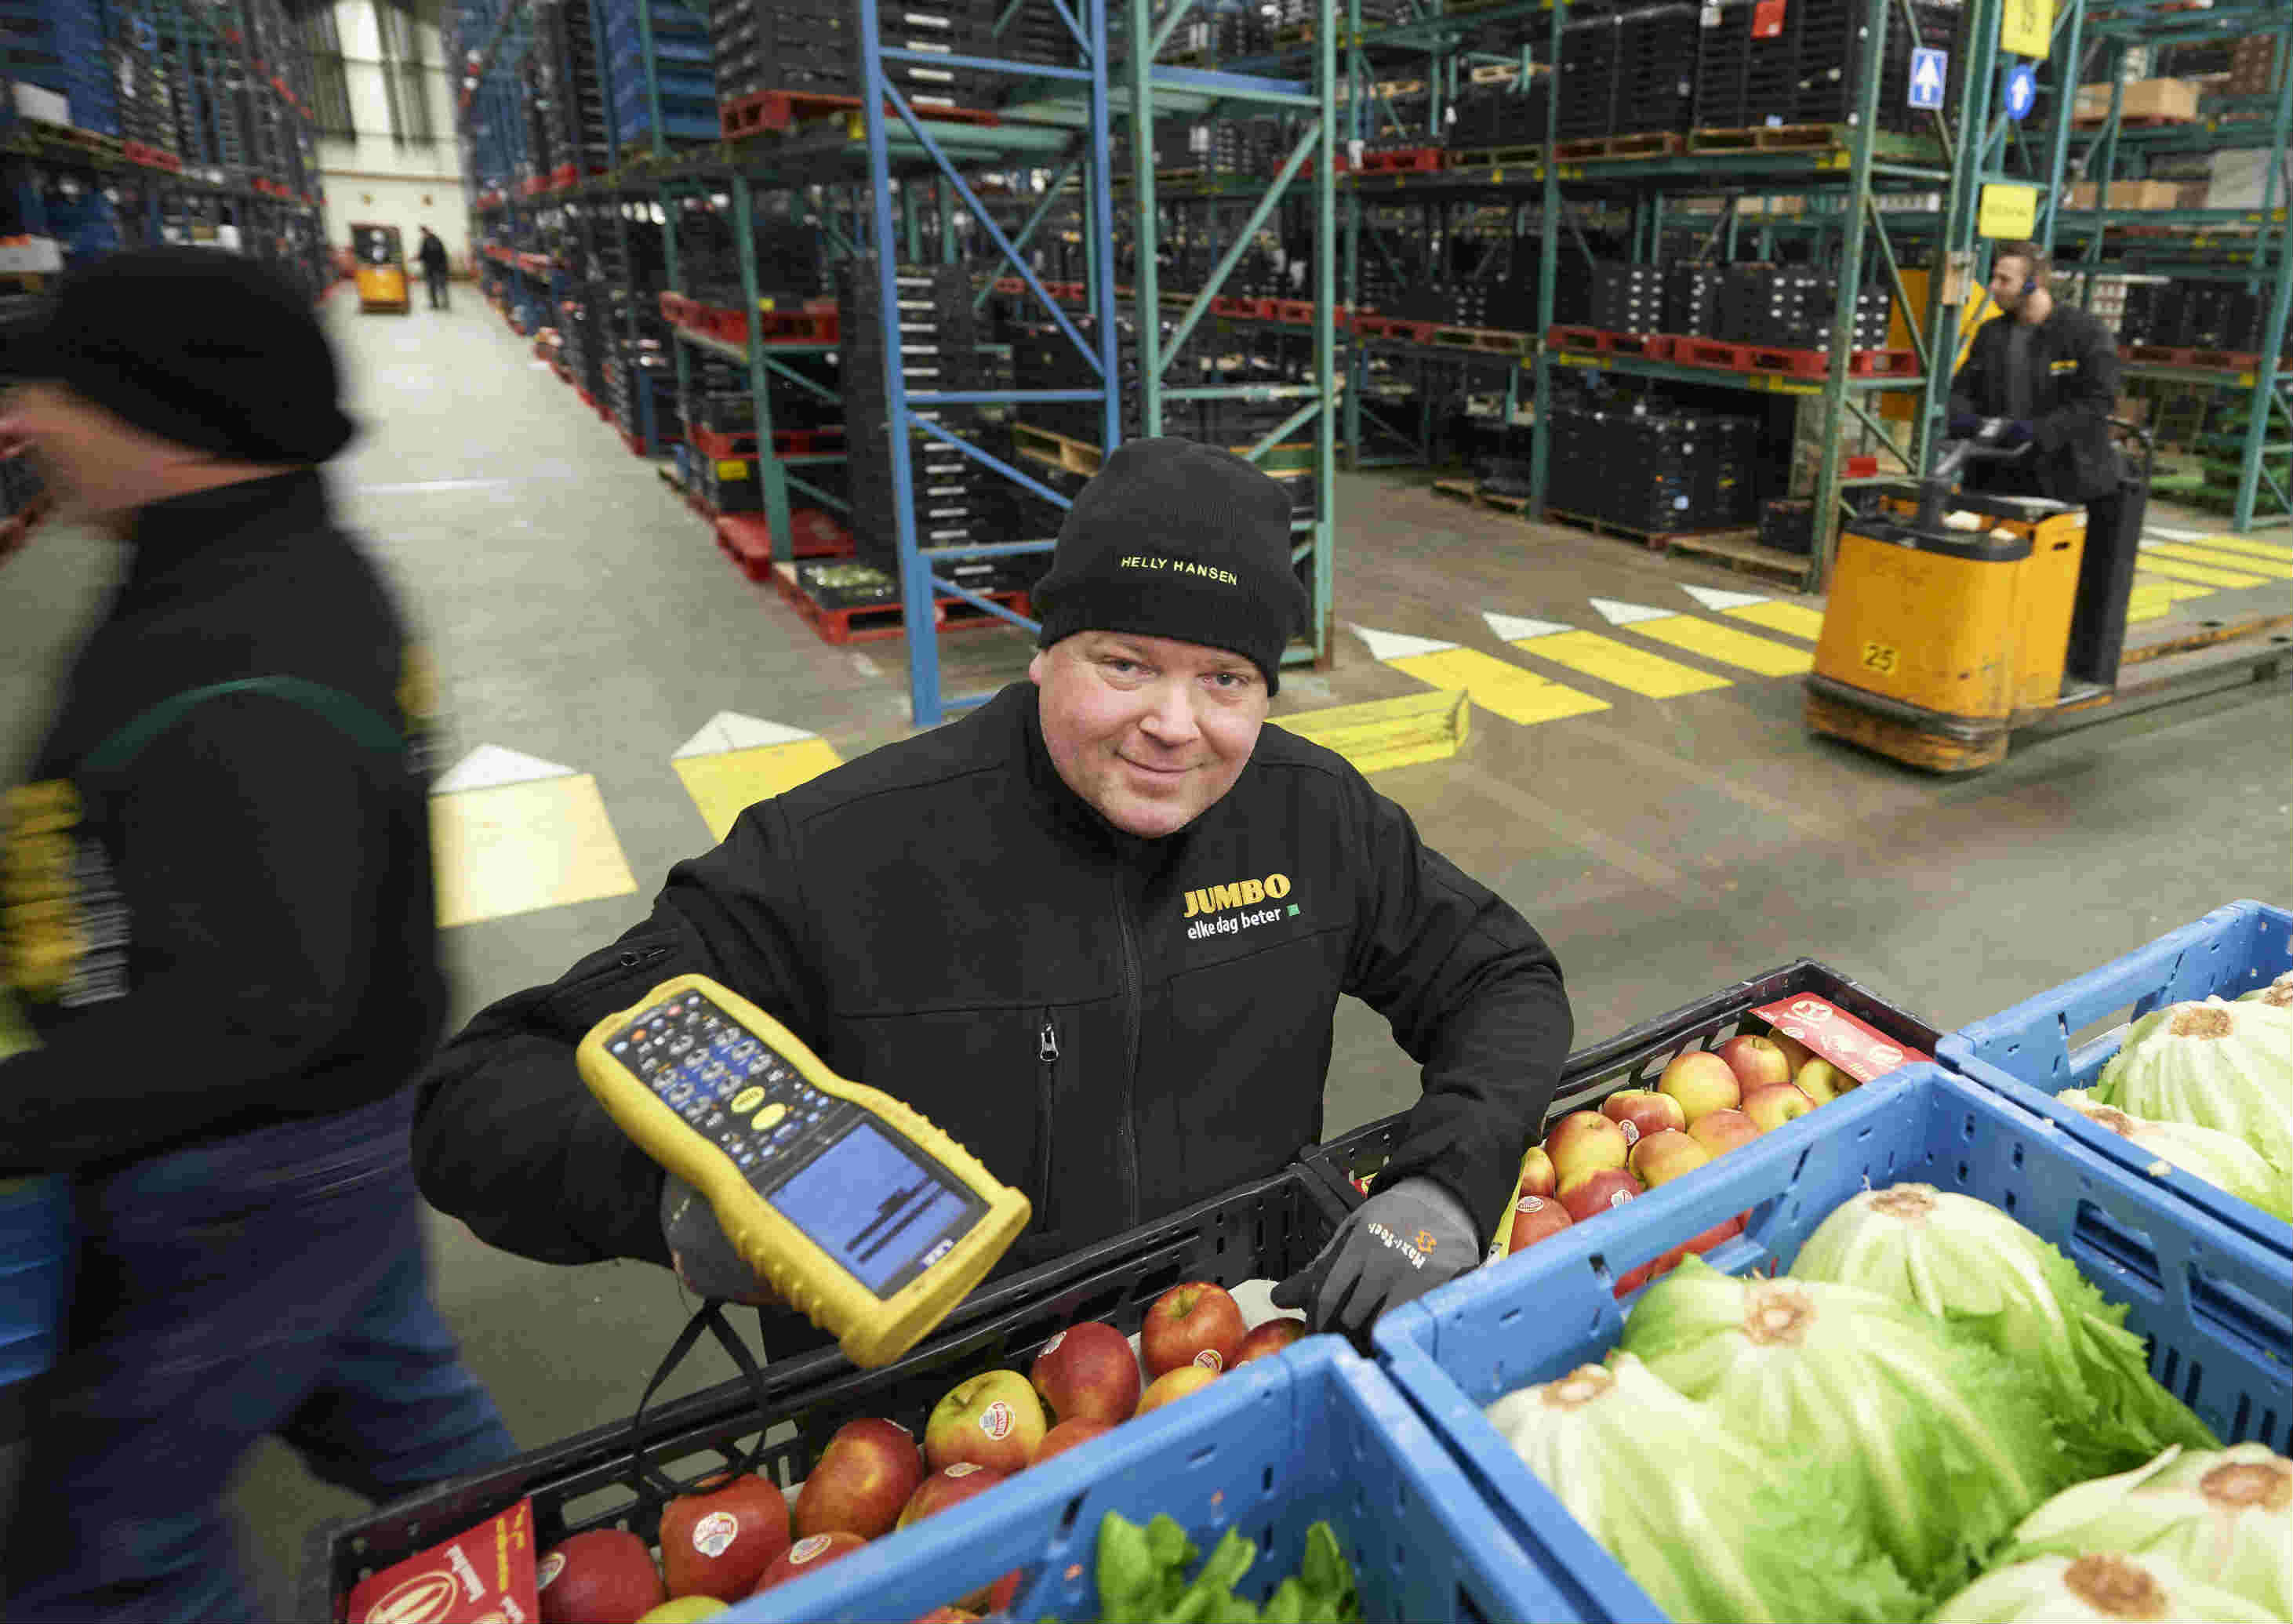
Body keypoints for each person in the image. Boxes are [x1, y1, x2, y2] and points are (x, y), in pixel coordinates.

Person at [410, 436, 1573, 1352]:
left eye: (1225, 678)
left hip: (1232, 1346)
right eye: (1126, 663)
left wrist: (1447, 1178)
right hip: (928, 1412)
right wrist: (679, 1195)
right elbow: (483, 1093)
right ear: (1042, 649)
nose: (1174, 724)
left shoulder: (1312, 815)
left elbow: (1501, 977)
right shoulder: (839, 850)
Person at [0, 246, 518, 1622]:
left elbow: (263, 1005)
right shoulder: (250, 567)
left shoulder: (246, 658)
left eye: (59, 392)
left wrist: (25, 1109)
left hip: (247, 1168)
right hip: (320, 1140)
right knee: (410, 1430)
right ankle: (534, 1580)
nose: (25, 420)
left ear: (168, 418)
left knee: (108, 1555)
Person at [1946, 240, 2121, 502]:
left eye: (2004, 280)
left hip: (2064, 478)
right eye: (1994, 277)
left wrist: (2036, 431)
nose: (1993, 287)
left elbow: (2098, 401)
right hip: (1994, 473)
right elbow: (1962, 390)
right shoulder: (1990, 334)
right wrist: (1969, 422)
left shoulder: (2085, 333)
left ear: (2033, 283)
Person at [416, 225, 450, 311]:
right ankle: (444, 303)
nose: (422, 235)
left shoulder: (427, 241)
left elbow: (425, 254)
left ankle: (436, 304)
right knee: (441, 286)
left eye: (422, 233)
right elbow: (443, 254)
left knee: (433, 286)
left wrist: (418, 258)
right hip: (440, 268)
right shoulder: (436, 240)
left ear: (424, 232)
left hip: (433, 268)